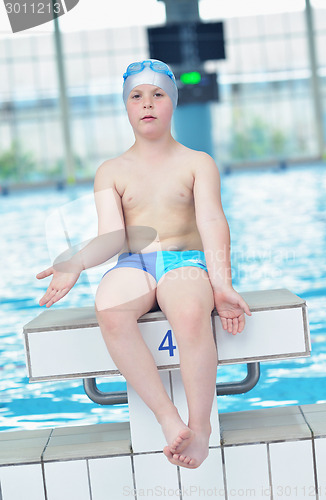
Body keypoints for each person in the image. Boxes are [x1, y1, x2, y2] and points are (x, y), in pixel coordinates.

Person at [37, 59, 251, 469]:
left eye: (158, 95)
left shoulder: (196, 162)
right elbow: (112, 237)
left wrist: (221, 284)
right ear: (126, 107)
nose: (147, 103)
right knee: (110, 310)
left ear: (172, 103)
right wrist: (76, 262)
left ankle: (200, 427)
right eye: (136, 96)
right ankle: (169, 419)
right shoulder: (112, 171)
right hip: (133, 262)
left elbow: (212, 223)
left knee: (189, 312)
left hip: (185, 261)